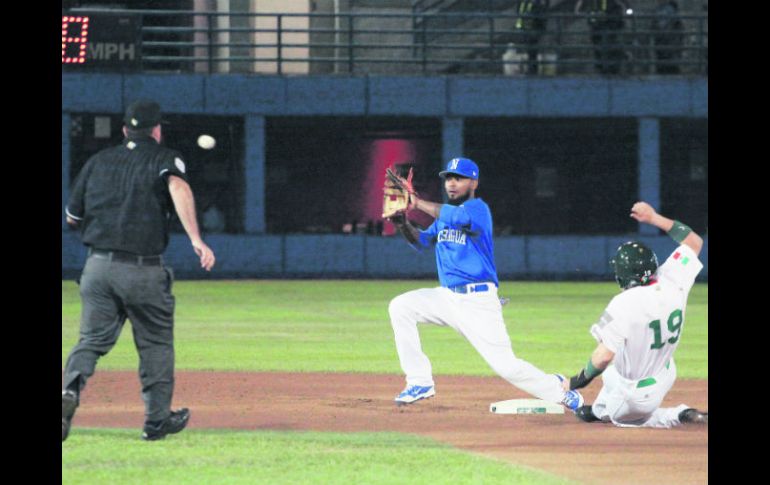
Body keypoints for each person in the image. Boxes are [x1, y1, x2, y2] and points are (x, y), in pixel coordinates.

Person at [62, 100, 216, 442]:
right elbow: (177, 186)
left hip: (98, 266)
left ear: (124, 131)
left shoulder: (98, 161)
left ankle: (69, 390)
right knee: (155, 344)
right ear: (157, 130)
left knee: (91, 340)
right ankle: (156, 421)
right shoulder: (165, 157)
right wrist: (196, 239)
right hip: (142, 269)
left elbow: (72, 217)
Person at [385, 157, 584, 411]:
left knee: (506, 367)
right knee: (401, 306)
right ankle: (420, 381)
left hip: (477, 301)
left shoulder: (477, 209)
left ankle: (560, 391)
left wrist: (416, 203)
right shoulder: (444, 216)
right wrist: (402, 223)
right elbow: (421, 242)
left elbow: (457, 217)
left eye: (459, 178)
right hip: (446, 298)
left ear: (474, 182)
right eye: (449, 178)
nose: (452, 183)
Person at [561, 201, 708, 428]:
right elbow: (694, 241)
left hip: (638, 395)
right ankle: (600, 410)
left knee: (623, 418)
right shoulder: (673, 277)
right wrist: (654, 218)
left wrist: (575, 381)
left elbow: (602, 357)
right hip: (665, 371)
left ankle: (679, 414)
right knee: (612, 375)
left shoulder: (623, 303)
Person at [575, 0, 628, 74]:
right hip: (598, 26)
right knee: (599, 46)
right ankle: (603, 67)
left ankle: (610, 67)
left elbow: (619, 8)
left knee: (608, 44)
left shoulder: (611, 5)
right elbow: (580, 9)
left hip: (608, 25)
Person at [513, 0, 550, 75]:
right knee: (530, 50)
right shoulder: (524, 2)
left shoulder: (534, 2)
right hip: (525, 28)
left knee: (532, 50)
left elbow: (538, 14)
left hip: (532, 28)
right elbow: (519, 12)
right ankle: (532, 69)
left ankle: (532, 70)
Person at [652, 0, 684, 74]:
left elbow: (676, 24)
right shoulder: (660, 9)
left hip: (668, 39)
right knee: (664, 58)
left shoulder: (667, 9)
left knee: (668, 59)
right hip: (664, 39)